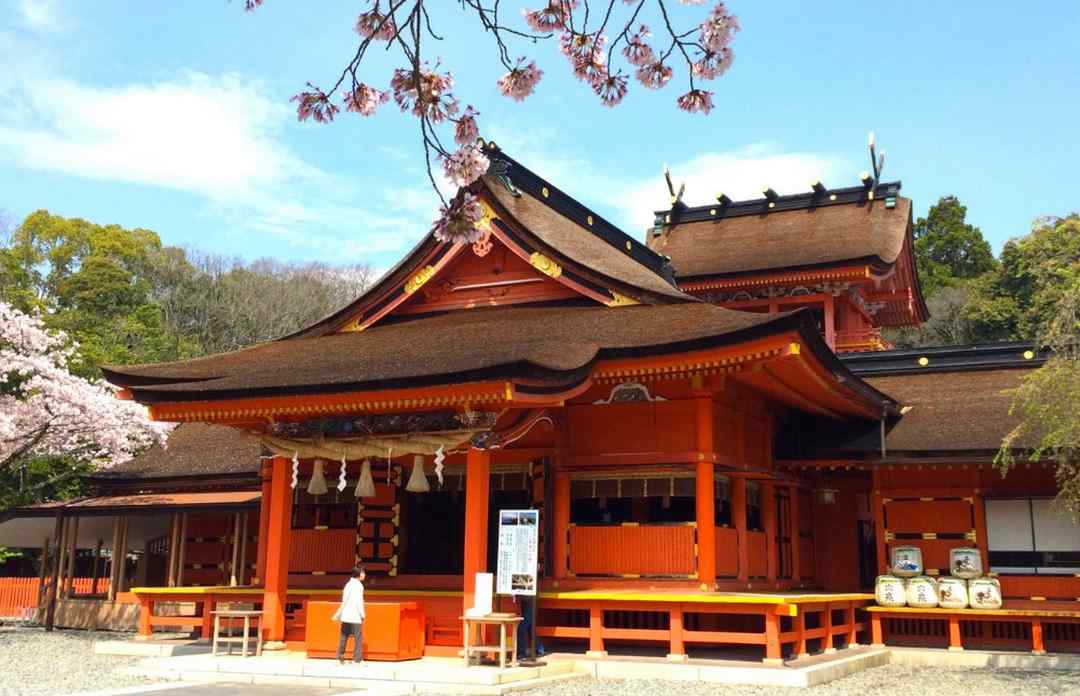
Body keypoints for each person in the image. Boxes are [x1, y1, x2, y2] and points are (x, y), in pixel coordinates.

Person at [332, 565, 366, 664]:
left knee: (344, 637)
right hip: (355, 615)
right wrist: (363, 614)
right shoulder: (359, 586)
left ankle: (339, 657)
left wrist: (339, 614)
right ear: (358, 574)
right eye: (363, 572)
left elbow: (344, 600)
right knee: (358, 638)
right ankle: (357, 659)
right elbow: (359, 602)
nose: (364, 574)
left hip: (346, 615)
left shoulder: (348, 584)